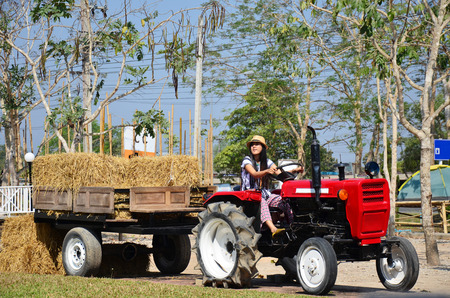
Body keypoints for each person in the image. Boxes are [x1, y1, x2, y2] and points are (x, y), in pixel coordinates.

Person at [240, 135, 303, 237]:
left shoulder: (267, 162)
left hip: (265, 194)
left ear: (263, 148)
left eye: (257, 144)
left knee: (284, 200)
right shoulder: (247, 160)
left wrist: (294, 170)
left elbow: (279, 172)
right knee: (262, 201)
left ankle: (292, 226)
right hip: (249, 194)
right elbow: (255, 174)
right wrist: (266, 171)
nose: (254, 147)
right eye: (252, 145)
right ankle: (273, 229)